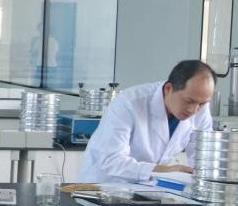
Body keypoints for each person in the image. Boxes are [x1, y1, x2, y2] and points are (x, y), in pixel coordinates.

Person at [79, 60, 216, 184]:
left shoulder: (200, 108)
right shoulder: (128, 103)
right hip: (104, 186)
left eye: (202, 104)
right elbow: (111, 161)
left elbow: (203, 157)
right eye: (188, 101)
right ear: (168, 89)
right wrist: (165, 171)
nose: (194, 110)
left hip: (148, 188)